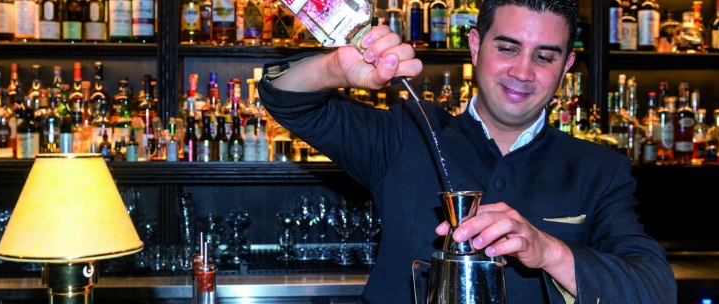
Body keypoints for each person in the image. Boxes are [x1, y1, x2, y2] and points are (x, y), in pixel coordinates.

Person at [257, 0, 677, 303]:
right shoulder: (406, 134)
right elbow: (283, 98)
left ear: (566, 67)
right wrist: (336, 67)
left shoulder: (599, 169)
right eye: (507, 48)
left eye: (545, 57)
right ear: (476, 46)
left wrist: (546, 250)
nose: (523, 72)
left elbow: (654, 288)